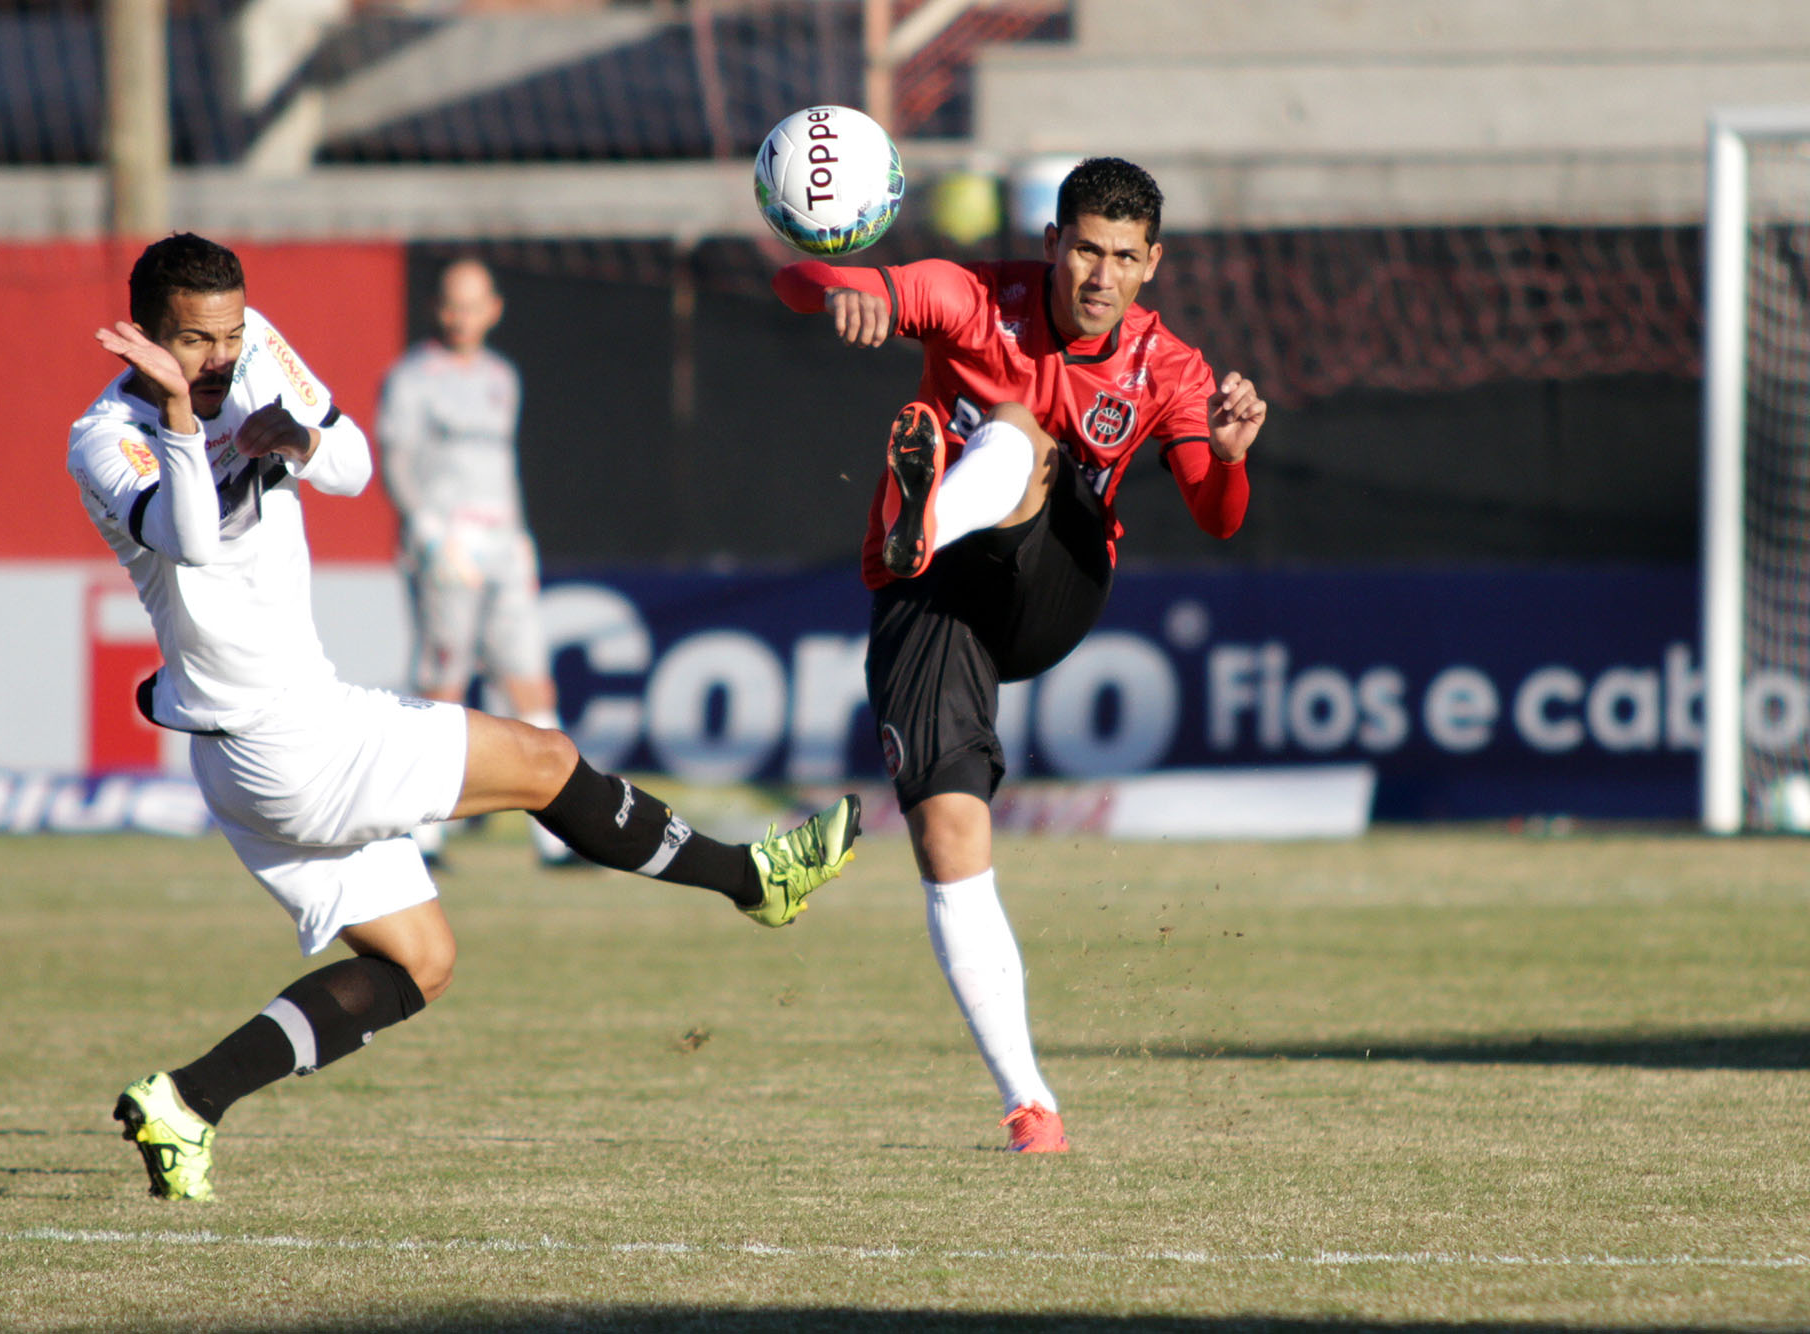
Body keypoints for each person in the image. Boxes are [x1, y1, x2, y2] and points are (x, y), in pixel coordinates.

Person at [69, 233, 862, 1201]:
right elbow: (189, 537)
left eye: (230, 332)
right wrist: (194, 419)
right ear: (147, 336)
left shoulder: (249, 346)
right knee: (542, 758)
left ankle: (187, 1100)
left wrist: (303, 440)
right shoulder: (106, 438)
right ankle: (752, 876)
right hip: (286, 742)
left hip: (267, 741)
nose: (222, 356)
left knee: (420, 961)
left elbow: (351, 463)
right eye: (194, 341)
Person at [770, 158, 1265, 1153]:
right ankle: (1030, 1106)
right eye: (1084, 248)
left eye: (1123, 257)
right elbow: (802, 280)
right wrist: (844, 289)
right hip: (929, 599)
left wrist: (1231, 453)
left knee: (1019, 434)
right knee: (949, 839)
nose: (1098, 274)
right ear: (1050, 242)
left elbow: (1215, 515)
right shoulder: (972, 296)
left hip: (1054, 580)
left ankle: (928, 512)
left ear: (1151, 265)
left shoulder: (1169, 367)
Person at [376, 259, 572, 867]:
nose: (463, 317)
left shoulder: (501, 376)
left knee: (530, 680)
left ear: (494, 308)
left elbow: (500, 467)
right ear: (440, 309)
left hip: (502, 543)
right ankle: (422, 833)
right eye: (452, 305)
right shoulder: (413, 378)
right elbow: (397, 457)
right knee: (444, 681)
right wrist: (428, 528)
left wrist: (518, 536)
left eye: (474, 304)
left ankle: (555, 839)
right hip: (447, 545)